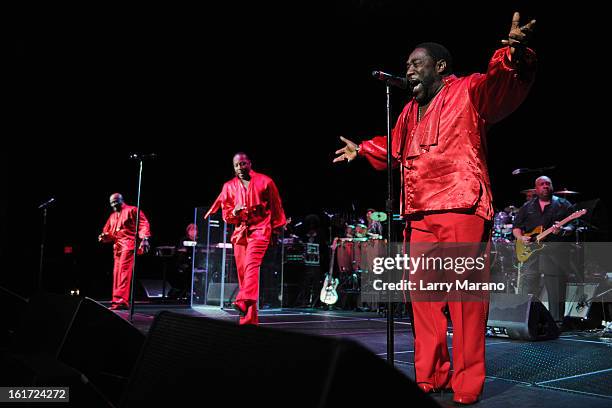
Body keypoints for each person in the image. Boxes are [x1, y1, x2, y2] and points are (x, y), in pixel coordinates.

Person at [333, 12, 536, 405]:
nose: (408, 69)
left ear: (440, 66)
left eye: (416, 63)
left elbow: (503, 85)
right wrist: (364, 150)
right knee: (424, 303)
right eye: (407, 64)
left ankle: (466, 382)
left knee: (465, 303)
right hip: (418, 213)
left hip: (461, 204)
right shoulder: (409, 110)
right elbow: (395, 146)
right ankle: (430, 376)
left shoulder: (469, 91)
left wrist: (514, 52)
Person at [204, 153, 286, 325]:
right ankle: (249, 320)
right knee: (244, 275)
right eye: (236, 165)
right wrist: (234, 212)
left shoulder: (265, 181)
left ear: (249, 163)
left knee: (251, 265)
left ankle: (242, 301)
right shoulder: (229, 186)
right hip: (240, 233)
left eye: (243, 164)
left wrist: (276, 231)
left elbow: (276, 206)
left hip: (261, 230)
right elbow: (227, 215)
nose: (240, 168)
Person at [513, 176, 575, 322]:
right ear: (536, 188)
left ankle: (556, 322)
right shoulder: (527, 207)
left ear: (552, 186)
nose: (545, 186)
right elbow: (516, 228)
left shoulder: (563, 204)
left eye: (548, 184)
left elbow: (573, 225)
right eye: (542, 184)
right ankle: (529, 319)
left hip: (555, 252)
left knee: (555, 289)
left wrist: (563, 229)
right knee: (529, 287)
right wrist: (521, 238)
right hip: (531, 252)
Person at [98, 193, 151, 310]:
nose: (113, 205)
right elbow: (110, 233)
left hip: (129, 245)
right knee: (117, 273)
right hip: (117, 248)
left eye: (115, 202)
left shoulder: (132, 210)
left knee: (123, 273)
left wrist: (145, 239)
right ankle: (116, 300)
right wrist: (104, 236)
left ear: (121, 200)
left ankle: (121, 301)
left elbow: (144, 224)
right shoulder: (112, 216)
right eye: (111, 203)